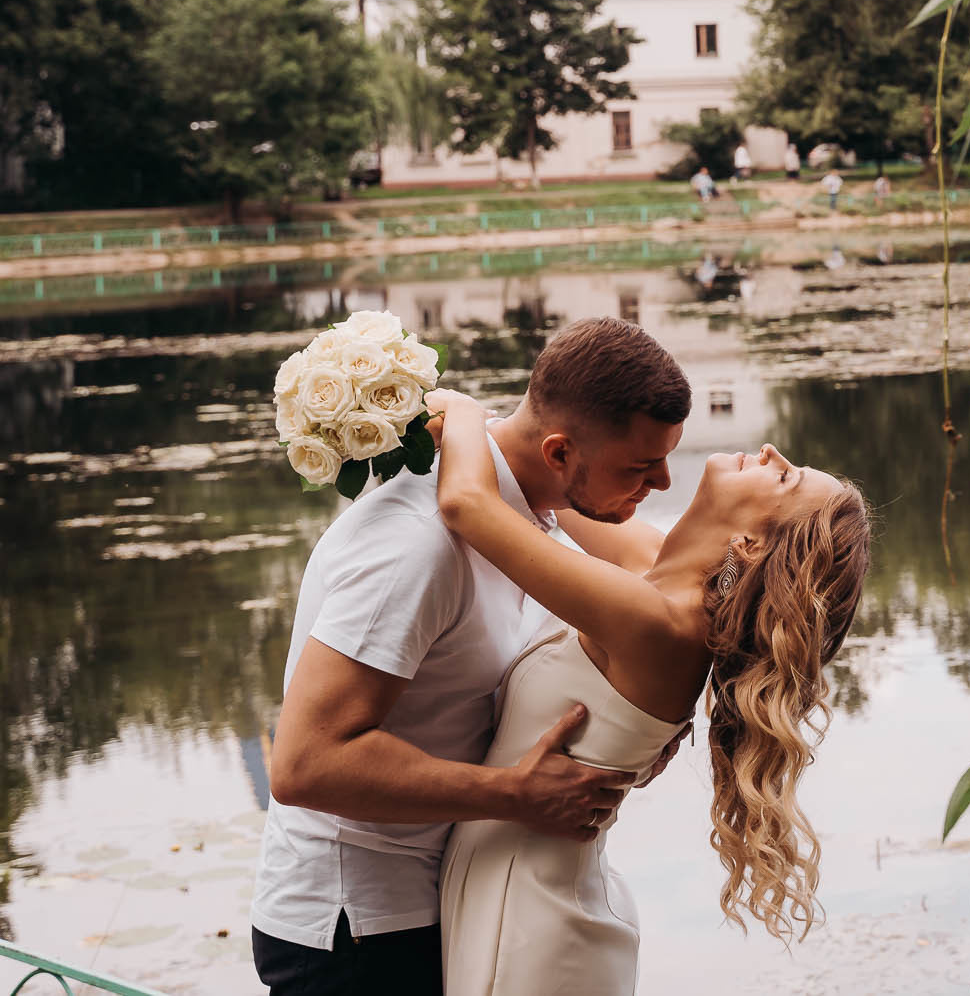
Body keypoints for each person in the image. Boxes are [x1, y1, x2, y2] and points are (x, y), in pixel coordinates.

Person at [251, 318, 693, 996]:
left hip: (434, 900)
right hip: (357, 929)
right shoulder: (417, 545)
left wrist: (619, 747)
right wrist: (516, 793)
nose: (661, 483)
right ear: (558, 451)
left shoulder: (527, 520)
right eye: (640, 467)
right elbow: (305, 762)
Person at [431, 402, 871, 996]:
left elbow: (469, 506)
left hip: (532, 921)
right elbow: (543, 491)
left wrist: (455, 410)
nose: (771, 452)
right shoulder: (652, 577)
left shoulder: (656, 624)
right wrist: (484, 418)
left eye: (786, 476)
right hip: (519, 884)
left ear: (751, 541)